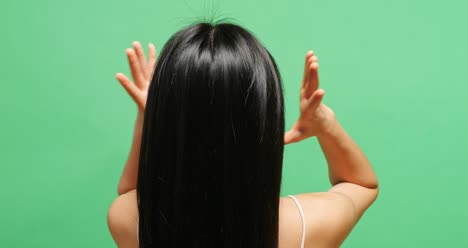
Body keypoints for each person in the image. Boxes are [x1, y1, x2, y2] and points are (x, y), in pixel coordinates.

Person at [107, 21, 379, 248]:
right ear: (265, 122)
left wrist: (152, 117)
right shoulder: (303, 227)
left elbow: (131, 193)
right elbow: (361, 185)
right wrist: (325, 124)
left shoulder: (128, 223)